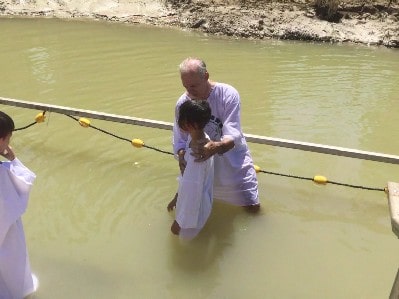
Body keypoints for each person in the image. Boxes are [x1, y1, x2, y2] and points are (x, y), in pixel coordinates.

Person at [172, 57, 260, 210]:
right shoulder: (183, 103)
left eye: (194, 86)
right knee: (199, 211)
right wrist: (180, 155)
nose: (189, 92)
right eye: (186, 86)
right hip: (203, 169)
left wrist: (216, 147)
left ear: (205, 76)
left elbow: (233, 133)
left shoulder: (227, 94)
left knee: (252, 208)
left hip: (233, 165)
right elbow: (180, 139)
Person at [0, 111, 38, 299]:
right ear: (1, 141)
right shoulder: (3, 175)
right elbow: (23, 185)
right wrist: (14, 160)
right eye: (8, 139)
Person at [167, 100, 214, 240]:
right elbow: (188, 183)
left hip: (192, 218)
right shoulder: (203, 140)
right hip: (202, 206)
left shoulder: (196, 156)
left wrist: (178, 223)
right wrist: (177, 197)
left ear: (189, 124)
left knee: (184, 249)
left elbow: (192, 194)